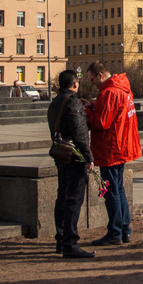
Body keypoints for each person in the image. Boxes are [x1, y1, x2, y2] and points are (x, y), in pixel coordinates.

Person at [84, 61, 141, 246]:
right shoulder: (122, 87)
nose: (91, 83)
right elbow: (112, 110)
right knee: (119, 188)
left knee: (111, 191)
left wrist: (86, 111)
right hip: (122, 144)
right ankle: (125, 229)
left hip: (111, 147)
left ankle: (115, 232)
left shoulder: (109, 92)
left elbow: (101, 122)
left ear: (100, 75)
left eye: (91, 79)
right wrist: (93, 104)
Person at [48, 69, 96, 259]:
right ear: (75, 84)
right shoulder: (73, 102)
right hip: (74, 156)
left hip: (61, 154)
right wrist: (88, 157)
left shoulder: (55, 101)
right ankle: (70, 243)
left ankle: (61, 240)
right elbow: (80, 133)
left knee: (62, 197)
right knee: (74, 200)